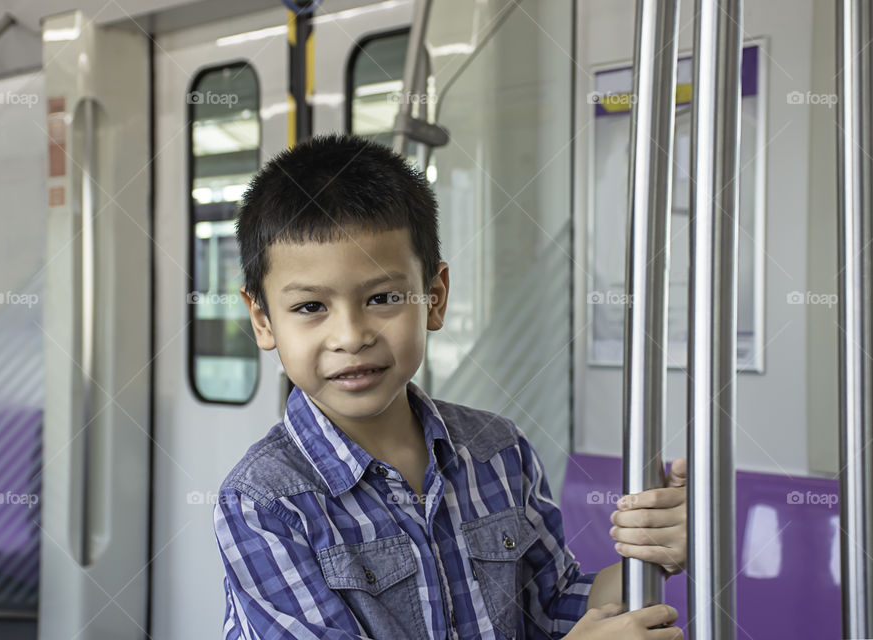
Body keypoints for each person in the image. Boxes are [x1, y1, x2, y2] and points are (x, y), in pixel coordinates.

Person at [213, 133, 687, 640]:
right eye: (311, 307)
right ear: (262, 320)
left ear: (434, 297)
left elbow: (551, 608)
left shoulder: (500, 453)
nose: (351, 336)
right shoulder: (265, 503)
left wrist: (650, 554)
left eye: (383, 297)